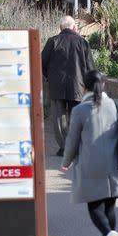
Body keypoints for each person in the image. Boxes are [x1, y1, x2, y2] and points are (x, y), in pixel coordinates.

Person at [60, 70, 118, 236]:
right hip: (114, 164)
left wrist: (65, 162)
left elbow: (72, 140)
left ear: (83, 86)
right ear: (104, 85)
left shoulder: (80, 110)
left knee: (94, 207)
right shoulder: (116, 105)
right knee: (110, 206)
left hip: (89, 165)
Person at [42, 15, 95, 156]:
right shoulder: (83, 43)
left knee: (59, 118)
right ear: (74, 27)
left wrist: (49, 77)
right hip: (78, 86)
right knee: (76, 116)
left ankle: (64, 147)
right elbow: (90, 67)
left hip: (56, 86)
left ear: (60, 27)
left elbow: (42, 63)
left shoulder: (52, 41)